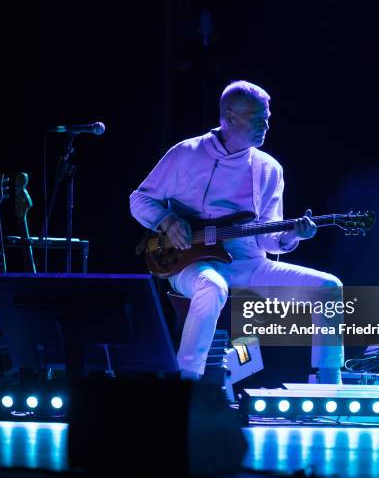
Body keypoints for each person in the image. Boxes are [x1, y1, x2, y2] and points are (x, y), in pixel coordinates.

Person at [130, 80, 344, 382]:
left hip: (250, 265)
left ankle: (329, 380)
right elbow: (139, 199)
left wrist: (293, 235)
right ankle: (186, 381)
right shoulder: (186, 154)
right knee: (213, 286)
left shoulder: (269, 168)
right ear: (229, 118)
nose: (266, 125)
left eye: (267, 118)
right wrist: (167, 219)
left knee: (328, 287)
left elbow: (268, 237)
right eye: (257, 118)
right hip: (192, 263)